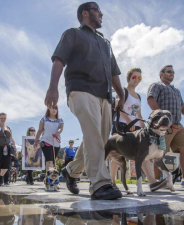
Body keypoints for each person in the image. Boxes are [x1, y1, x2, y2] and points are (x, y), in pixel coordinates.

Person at [44, 2, 125, 200]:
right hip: (80, 90)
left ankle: (71, 170)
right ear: (86, 13)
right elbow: (59, 60)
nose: (102, 14)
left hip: (104, 96)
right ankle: (100, 184)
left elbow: (114, 72)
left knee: (98, 138)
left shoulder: (105, 43)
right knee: (93, 135)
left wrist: (122, 95)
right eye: (98, 10)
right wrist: (53, 87)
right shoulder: (72, 33)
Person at [109, 68, 168, 192]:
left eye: (139, 78)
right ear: (129, 78)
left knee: (143, 153)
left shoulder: (138, 97)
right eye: (134, 77)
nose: (137, 80)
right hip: (121, 127)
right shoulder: (123, 91)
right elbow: (117, 108)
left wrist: (144, 127)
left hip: (135, 128)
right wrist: (129, 120)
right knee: (116, 155)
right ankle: (112, 182)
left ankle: (152, 182)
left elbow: (138, 114)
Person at [147, 65, 184, 189]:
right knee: (159, 153)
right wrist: (161, 117)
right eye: (169, 72)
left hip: (178, 124)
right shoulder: (156, 86)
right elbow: (151, 99)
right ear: (161, 73)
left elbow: (183, 107)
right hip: (164, 125)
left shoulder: (177, 91)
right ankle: (156, 181)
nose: (171, 74)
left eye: (173, 72)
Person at [34, 106, 63, 173]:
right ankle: (49, 178)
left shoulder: (60, 119)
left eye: (56, 108)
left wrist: (58, 132)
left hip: (56, 143)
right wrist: (36, 141)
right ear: (49, 109)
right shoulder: (44, 119)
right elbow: (40, 130)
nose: (54, 110)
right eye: (52, 108)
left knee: (52, 162)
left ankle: (51, 177)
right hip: (45, 141)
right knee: (49, 160)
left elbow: (61, 128)